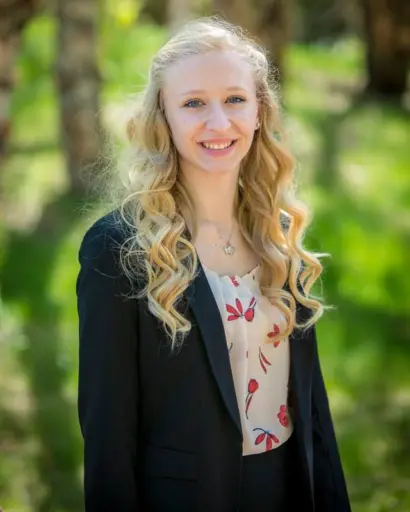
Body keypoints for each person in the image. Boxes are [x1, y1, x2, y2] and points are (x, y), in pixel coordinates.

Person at [76, 16, 351, 512]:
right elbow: (108, 436)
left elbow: (311, 409)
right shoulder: (118, 249)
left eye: (235, 99)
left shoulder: (277, 233)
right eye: (194, 104)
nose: (219, 123)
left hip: (289, 489)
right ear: (165, 117)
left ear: (260, 111)